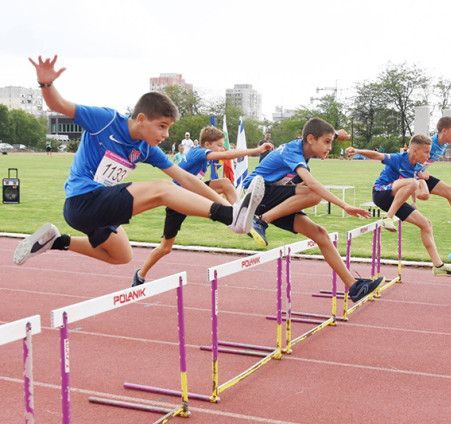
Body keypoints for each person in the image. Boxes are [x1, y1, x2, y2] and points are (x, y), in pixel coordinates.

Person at [14, 55, 265, 267]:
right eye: (162, 126)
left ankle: (56, 240)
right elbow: (59, 105)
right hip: (82, 201)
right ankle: (229, 216)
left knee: (122, 256)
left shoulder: (146, 149)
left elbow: (186, 178)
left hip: (99, 210)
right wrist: (45, 83)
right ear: (142, 118)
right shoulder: (104, 120)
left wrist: (229, 207)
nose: (166, 135)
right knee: (163, 189)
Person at [245, 118, 384, 302]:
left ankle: (354, 287)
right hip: (256, 193)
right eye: (327, 142)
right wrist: (344, 205)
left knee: (320, 233)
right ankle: (260, 222)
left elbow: (320, 131)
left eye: (331, 142)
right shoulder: (293, 151)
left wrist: (336, 134)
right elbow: (311, 183)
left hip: (271, 201)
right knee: (313, 193)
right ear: (311, 139)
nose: (330, 147)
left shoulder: (305, 149)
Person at [132, 126, 273, 286]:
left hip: (193, 192)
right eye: (219, 145)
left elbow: (219, 160)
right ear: (207, 145)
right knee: (165, 248)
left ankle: (237, 215)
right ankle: (140, 275)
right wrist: (257, 149)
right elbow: (226, 155)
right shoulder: (199, 153)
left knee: (225, 184)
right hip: (177, 200)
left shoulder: (200, 155)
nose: (222, 148)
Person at [346, 136, 451, 277]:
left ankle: (438, 266)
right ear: (414, 150)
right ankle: (387, 218)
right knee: (413, 183)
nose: (428, 155)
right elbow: (377, 155)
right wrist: (356, 150)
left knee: (426, 224)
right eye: (426, 152)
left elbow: (412, 181)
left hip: (396, 199)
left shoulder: (417, 166)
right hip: (381, 192)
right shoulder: (398, 158)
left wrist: (415, 201)